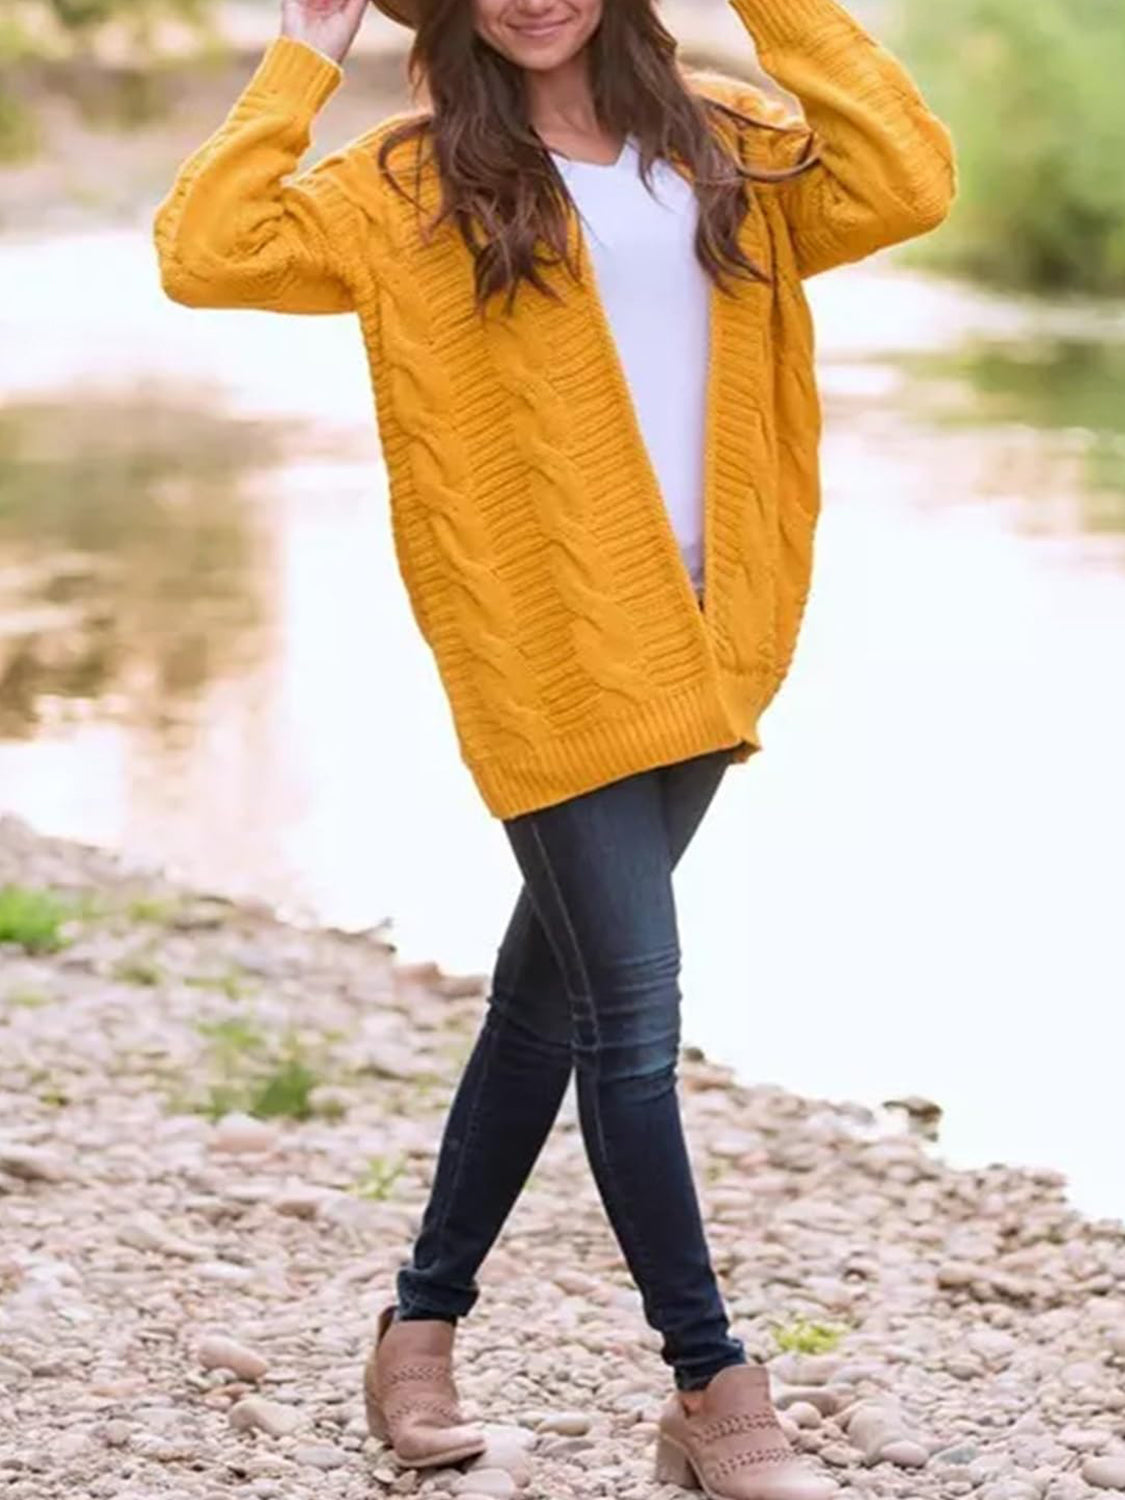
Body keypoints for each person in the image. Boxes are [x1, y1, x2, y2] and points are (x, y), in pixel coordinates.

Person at [154, 0, 953, 1493]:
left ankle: (417, 1330)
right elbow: (206, 251)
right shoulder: (410, 182)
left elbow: (905, 182)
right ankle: (713, 1388)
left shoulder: (727, 139)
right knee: (632, 1024)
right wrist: (303, 60)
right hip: (545, 649)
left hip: (715, 628)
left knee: (546, 1000)